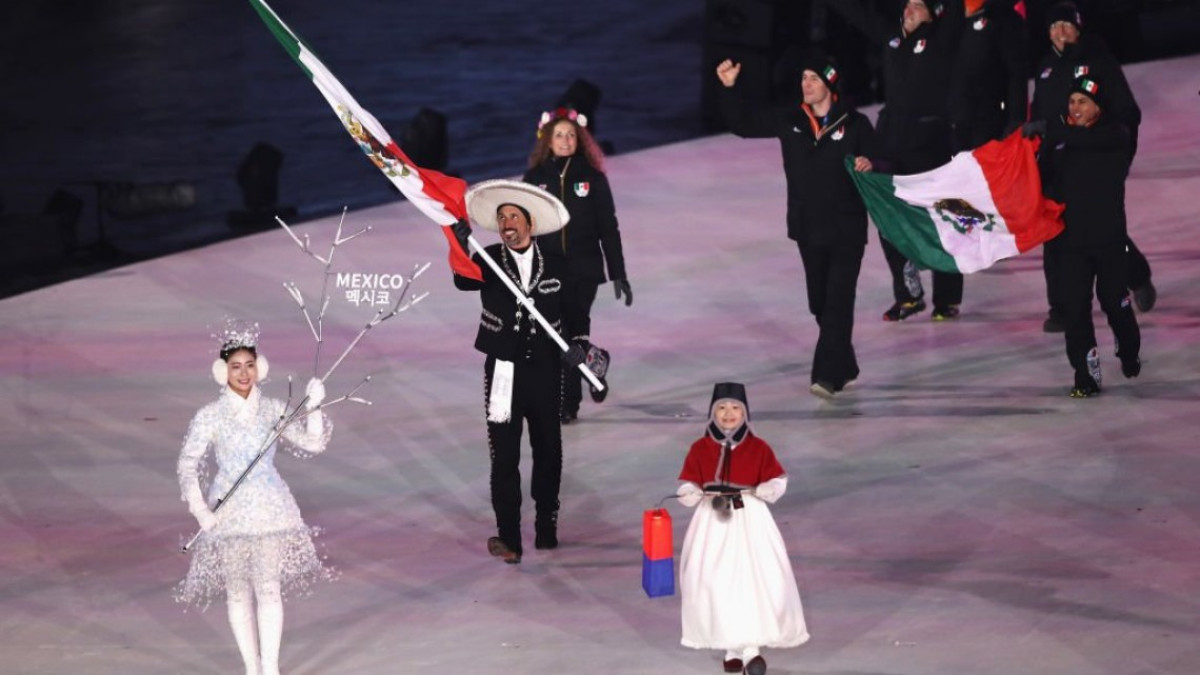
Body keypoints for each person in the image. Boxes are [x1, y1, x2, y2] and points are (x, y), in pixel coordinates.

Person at [176, 320, 333, 675]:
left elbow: (312, 443)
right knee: (237, 593)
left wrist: (316, 408)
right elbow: (188, 464)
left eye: (249, 365)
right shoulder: (210, 416)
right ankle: (251, 667)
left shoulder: (273, 408)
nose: (243, 373)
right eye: (235, 367)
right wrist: (200, 509)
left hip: (269, 509)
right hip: (227, 512)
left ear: (259, 368)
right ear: (223, 372)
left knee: (268, 588)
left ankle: (271, 669)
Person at [715, 55, 875, 399]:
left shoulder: (857, 124)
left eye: (813, 79)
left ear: (830, 85)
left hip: (847, 229)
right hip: (807, 227)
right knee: (819, 303)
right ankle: (844, 364)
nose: (806, 84)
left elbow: (881, 161)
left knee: (837, 302)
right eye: (803, 77)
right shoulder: (790, 119)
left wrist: (870, 162)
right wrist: (730, 88)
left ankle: (827, 375)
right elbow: (743, 124)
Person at [451, 179, 589, 564]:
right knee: (505, 455)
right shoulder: (487, 258)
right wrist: (461, 242)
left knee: (549, 449)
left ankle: (547, 529)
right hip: (502, 374)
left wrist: (580, 342)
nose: (507, 222)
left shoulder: (558, 264)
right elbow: (463, 280)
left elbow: (576, 311)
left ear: (529, 223)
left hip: (547, 371)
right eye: (501, 218)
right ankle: (509, 537)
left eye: (513, 216)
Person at [817, 0, 967, 321]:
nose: (910, 9)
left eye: (919, 6)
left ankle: (947, 298)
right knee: (890, 220)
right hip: (889, 143)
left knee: (940, 219)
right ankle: (909, 294)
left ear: (933, 13)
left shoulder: (943, 39)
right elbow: (859, 12)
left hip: (931, 145)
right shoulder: (892, 38)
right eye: (908, 5)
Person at [1029, 1, 1155, 333]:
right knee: (1053, 230)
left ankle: (1137, 274)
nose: (1060, 31)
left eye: (1066, 25)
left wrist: (1120, 157)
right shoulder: (1045, 69)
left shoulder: (1099, 63)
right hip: (1057, 164)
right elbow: (1040, 116)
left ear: (1079, 27)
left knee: (1104, 232)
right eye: (1054, 26)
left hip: (1096, 160)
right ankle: (1060, 308)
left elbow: (1128, 113)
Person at [676, 382, 809, 675]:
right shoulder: (700, 448)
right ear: (712, 412)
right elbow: (689, 481)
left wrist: (768, 489)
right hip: (712, 524)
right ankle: (731, 648)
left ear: (745, 413)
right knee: (715, 581)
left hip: (751, 522)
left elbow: (778, 479)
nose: (728, 414)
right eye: (721, 408)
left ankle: (751, 650)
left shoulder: (759, 447)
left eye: (735, 408)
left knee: (754, 580)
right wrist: (690, 493)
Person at [1024, 75, 1140, 397]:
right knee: (1075, 309)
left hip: (1109, 241)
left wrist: (1048, 127)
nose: (1075, 107)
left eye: (1083, 102)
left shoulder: (1115, 135)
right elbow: (1039, 180)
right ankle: (1085, 375)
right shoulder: (1059, 140)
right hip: (1069, 242)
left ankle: (1129, 352)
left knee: (1115, 305)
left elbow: (1086, 140)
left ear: (1098, 108)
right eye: (1072, 101)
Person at [523, 108, 631, 424]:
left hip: (585, 270)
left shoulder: (593, 178)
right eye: (559, 135)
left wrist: (618, 272)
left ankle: (568, 405)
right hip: (548, 270)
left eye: (571, 135)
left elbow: (608, 228)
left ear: (580, 139)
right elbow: (523, 228)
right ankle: (595, 360)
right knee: (558, 335)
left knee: (568, 335)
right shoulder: (534, 179)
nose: (566, 140)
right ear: (547, 140)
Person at [949, 0, 1028, 153]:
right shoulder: (951, 15)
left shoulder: (1004, 17)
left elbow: (1016, 73)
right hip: (953, 123)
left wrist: (1015, 122)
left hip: (988, 121)